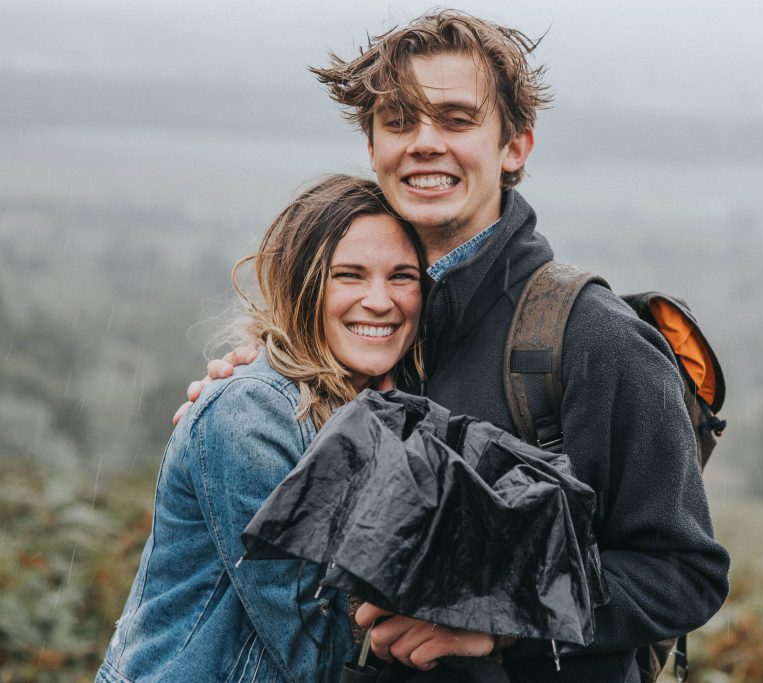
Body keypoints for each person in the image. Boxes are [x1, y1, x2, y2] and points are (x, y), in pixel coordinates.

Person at [177, 10, 730, 682]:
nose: (424, 142)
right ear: (373, 146)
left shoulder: (592, 338)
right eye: (401, 121)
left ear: (515, 147)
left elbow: (684, 572)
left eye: (457, 119)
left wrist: (498, 617)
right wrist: (246, 397)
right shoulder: (375, 335)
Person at [97, 175, 427, 683]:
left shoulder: (376, 408)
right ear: (303, 284)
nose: (380, 300)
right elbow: (311, 640)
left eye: (402, 276)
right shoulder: (253, 413)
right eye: (350, 275)